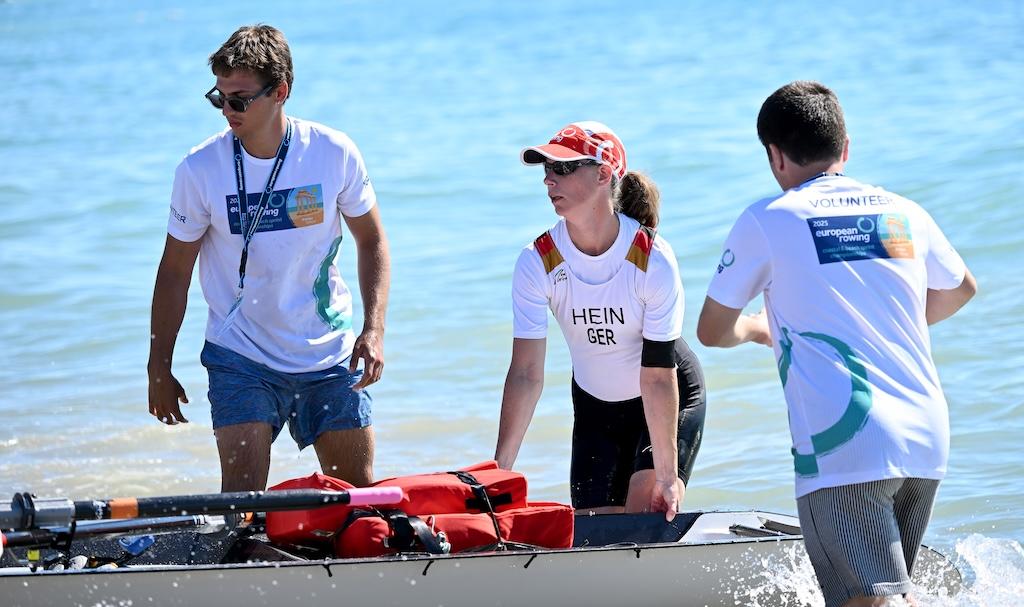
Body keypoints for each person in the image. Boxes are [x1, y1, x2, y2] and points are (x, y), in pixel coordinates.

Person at [697, 81, 976, 607]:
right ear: (845, 148)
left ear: (775, 156)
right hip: (925, 434)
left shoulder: (769, 218)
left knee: (868, 602)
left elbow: (712, 330)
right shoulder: (903, 211)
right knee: (892, 596)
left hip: (848, 442)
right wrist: (886, 325)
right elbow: (961, 288)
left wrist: (758, 328)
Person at [146, 25, 390, 492]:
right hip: (240, 355)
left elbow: (372, 240)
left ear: (280, 92)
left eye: (239, 100)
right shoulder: (199, 169)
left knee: (357, 500)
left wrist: (373, 330)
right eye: (219, 99)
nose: (227, 111)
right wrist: (159, 364)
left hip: (328, 355)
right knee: (242, 504)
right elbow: (174, 272)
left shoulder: (333, 152)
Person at [494, 122, 706, 520]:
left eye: (562, 168)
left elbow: (657, 378)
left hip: (664, 394)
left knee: (641, 521)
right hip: (595, 407)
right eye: (547, 169)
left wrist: (666, 477)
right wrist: (499, 472)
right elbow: (525, 374)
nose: (548, 179)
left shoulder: (651, 259)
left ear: (603, 173)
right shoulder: (537, 261)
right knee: (597, 535)